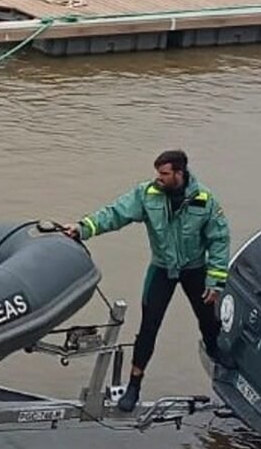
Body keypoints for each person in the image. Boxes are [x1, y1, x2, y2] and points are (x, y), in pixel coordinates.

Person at [62, 149, 230, 412]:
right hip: (162, 269)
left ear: (179, 174)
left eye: (164, 174)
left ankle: (216, 353)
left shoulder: (204, 200)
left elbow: (219, 239)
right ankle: (134, 385)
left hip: (195, 269)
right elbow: (115, 214)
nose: (158, 178)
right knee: (149, 327)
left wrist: (215, 280)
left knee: (208, 320)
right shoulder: (147, 194)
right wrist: (83, 228)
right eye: (157, 173)